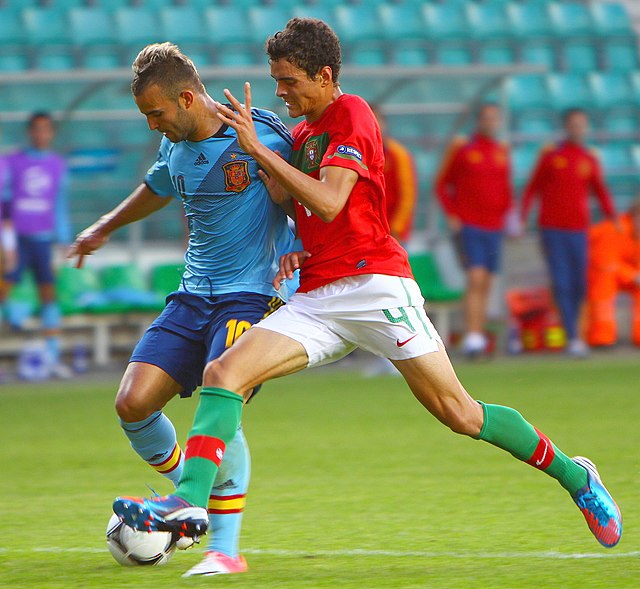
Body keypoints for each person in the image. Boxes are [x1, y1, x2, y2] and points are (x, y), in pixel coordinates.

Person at [113, 19, 622, 562]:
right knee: (224, 373)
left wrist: (258, 151)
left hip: (375, 287)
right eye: (275, 80)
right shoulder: (303, 134)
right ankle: (187, 503)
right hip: (317, 295)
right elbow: (300, 205)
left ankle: (575, 475)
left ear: (324, 74)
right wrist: (291, 232)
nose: (279, 91)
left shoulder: (351, 113)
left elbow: (331, 201)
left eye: (287, 80)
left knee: (460, 414)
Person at [69, 43, 295, 577]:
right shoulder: (175, 148)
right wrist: (104, 226)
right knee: (133, 404)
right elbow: (156, 187)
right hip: (192, 295)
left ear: (187, 97)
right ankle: (185, 502)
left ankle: (226, 548)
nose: (152, 125)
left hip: (249, 294)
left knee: (224, 392)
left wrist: (300, 249)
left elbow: (304, 195)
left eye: (156, 113)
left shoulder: (259, 133)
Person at [521, 108, 616, 358]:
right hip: (553, 230)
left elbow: (600, 190)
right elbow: (532, 188)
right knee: (562, 282)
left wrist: (612, 217)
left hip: (579, 231)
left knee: (580, 284)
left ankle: (578, 334)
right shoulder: (552, 156)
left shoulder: (588, 158)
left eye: (582, 125)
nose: (578, 129)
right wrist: (522, 218)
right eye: (573, 124)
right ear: (566, 127)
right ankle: (572, 336)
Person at [435, 104, 513, 357]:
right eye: (486, 118)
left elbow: (505, 188)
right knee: (475, 278)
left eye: (494, 118)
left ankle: (478, 335)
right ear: (479, 121)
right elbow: (441, 184)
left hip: (494, 226)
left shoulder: (501, 151)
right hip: (471, 225)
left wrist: (508, 216)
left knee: (488, 281)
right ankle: (472, 334)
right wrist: (453, 215)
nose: (491, 122)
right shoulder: (463, 148)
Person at [0, 112, 72, 378]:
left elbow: (59, 206)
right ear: (30, 132)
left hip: (43, 240)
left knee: (49, 296)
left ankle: (52, 356)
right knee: (3, 292)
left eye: (46, 130)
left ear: (51, 133)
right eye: (37, 129)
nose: (41, 134)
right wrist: (6, 244)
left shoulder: (57, 165)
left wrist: (63, 242)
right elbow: (3, 206)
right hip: (16, 241)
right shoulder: (11, 162)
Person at [586, 198, 640, 347]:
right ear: (634, 215)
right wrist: (633, 276)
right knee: (604, 282)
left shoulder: (636, 235)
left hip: (621, 274)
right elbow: (606, 263)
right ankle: (601, 337)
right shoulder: (613, 229)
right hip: (593, 272)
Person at [371, 105, 418, 245]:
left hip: (392, 232)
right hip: (365, 231)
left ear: (384, 123)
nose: (373, 124)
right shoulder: (356, 153)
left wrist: (396, 229)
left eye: (376, 119)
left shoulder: (399, 155)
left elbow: (407, 196)